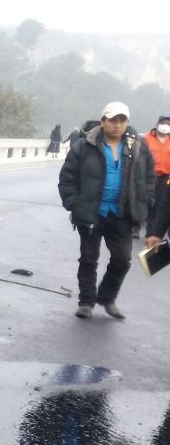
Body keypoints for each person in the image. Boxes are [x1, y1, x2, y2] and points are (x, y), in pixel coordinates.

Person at [58, 102, 155, 319]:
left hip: (122, 212)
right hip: (92, 211)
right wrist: (74, 203)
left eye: (122, 120)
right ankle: (86, 302)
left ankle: (107, 297)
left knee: (122, 260)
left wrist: (145, 201)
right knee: (89, 258)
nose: (118, 125)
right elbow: (67, 178)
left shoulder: (137, 147)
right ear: (103, 121)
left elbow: (149, 178)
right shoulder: (85, 146)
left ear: (127, 122)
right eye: (113, 120)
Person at [143, 115, 170, 242]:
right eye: (164, 123)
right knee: (149, 203)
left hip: (166, 178)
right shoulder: (147, 138)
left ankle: (152, 231)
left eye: (169, 124)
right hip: (149, 176)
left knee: (161, 204)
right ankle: (143, 228)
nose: (166, 126)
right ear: (158, 124)